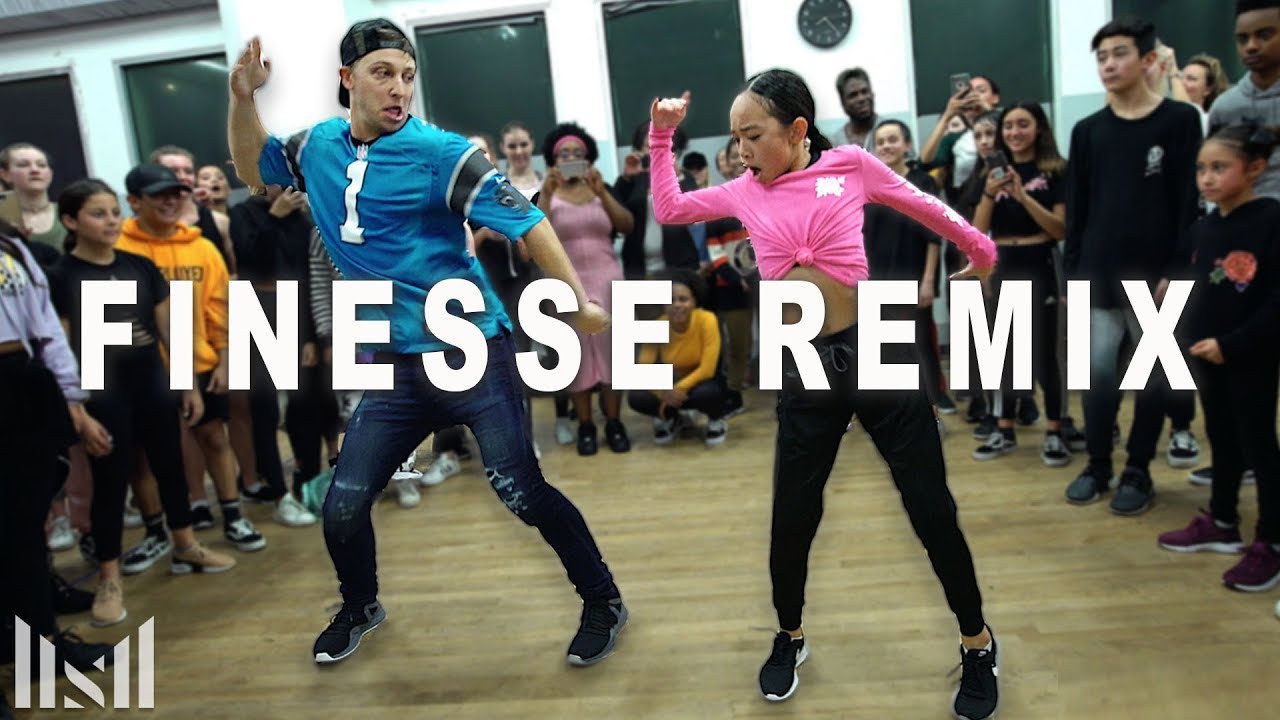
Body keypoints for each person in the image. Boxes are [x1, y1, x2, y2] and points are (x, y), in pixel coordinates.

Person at [227, 21, 626, 667]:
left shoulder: (444, 154)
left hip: (471, 352)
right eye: (383, 73)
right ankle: (360, 606)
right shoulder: (316, 145)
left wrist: (575, 301)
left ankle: (602, 600)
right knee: (343, 505)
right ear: (347, 78)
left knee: (522, 491)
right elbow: (253, 168)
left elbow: (530, 221)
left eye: (408, 76)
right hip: (393, 365)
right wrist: (243, 99)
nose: (399, 88)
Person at [648, 70, 1000, 718]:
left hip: (875, 347)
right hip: (805, 361)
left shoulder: (850, 167)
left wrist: (979, 248)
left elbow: (924, 206)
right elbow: (670, 208)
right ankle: (790, 635)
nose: (740, 150)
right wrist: (661, 137)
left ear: (797, 130)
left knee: (930, 508)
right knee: (792, 517)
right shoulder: (743, 191)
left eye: (752, 135)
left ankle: (977, 643)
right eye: (734, 137)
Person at [50, 179, 237, 626]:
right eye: (98, 214)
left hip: (152, 383)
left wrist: (188, 386)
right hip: (102, 392)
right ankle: (109, 577)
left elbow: (170, 331)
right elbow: (58, 351)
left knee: (171, 465)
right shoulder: (60, 276)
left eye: (114, 212)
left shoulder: (140, 266)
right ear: (71, 221)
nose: (111, 221)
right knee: (111, 481)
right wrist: (77, 411)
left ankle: (186, 544)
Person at [1062, 17, 1203, 515]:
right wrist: (1072, 275)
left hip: (1159, 279)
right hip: (1097, 275)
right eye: (1101, 57)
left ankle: (1138, 471)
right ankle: (1098, 465)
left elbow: (1189, 204)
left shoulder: (1180, 122)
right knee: (1096, 381)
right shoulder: (1087, 131)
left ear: (1147, 60)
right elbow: (1077, 211)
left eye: (1119, 53)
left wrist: (1177, 268)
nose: (1108, 64)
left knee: (1153, 381)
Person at [1157, 123, 1280, 593]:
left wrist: (1233, 343)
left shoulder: (1270, 220)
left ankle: (1271, 540)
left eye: (1219, 168)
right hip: (1206, 353)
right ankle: (1223, 521)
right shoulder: (1205, 226)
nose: (1206, 178)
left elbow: (1276, 300)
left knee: (1258, 447)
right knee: (1222, 439)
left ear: (1255, 168)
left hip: (1249, 354)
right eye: (1201, 169)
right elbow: (1196, 279)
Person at [0, 219, 117, 700]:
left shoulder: (10, 246)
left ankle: (39, 646)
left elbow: (45, 323)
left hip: (20, 382)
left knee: (25, 529)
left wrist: (72, 399)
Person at [967, 103, 1071, 466]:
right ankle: (1004, 429)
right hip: (1003, 264)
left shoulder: (1055, 170)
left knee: (1045, 354)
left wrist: (1023, 196)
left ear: (1038, 128)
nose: (1014, 132)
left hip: (1040, 262)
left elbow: (1060, 229)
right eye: (1008, 126)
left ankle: (1055, 432)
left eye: (1022, 124)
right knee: (1006, 352)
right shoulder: (991, 172)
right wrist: (990, 193)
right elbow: (977, 232)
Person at [538, 122, 635, 455]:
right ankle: (585, 425)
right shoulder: (548, 194)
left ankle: (614, 422)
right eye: (564, 154)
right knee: (575, 357)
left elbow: (627, 225)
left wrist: (602, 193)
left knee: (612, 354)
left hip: (608, 279)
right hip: (567, 284)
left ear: (588, 158)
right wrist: (546, 193)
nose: (570, 158)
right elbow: (533, 236)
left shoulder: (600, 188)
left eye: (577, 153)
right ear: (553, 160)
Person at [865, 119, 952, 416]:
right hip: (876, 279)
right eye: (881, 142)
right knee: (886, 347)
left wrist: (928, 281)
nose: (886, 146)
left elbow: (934, 235)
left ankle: (934, 404)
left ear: (907, 145)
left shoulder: (922, 182)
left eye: (892, 140)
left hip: (914, 279)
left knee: (922, 345)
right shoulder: (868, 186)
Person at [628, 269, 731, 445]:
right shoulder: (658, 325)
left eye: (683, 299)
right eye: (671, 300)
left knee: (710, 393)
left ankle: (716, 420)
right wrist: (663, 392)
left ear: (694, 302)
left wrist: (677, 389)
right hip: (672, 384)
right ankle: (671, 418)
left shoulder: (707, 320)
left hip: (700, 382)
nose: (676, 305)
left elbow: (707, 369)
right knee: (636, 397)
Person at [0, 143, 67, 257]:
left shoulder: (70, 212)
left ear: (50, 174)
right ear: (5, 174)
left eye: (42, 165)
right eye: (23, 165)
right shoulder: (2, 221)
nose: (35, 170)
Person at [828, 68, 878, 150]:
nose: (861, 99)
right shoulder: (835, 143)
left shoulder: (893, 132)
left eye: (865, 91)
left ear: (872, 94)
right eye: (853, 95)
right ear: (843, 102)